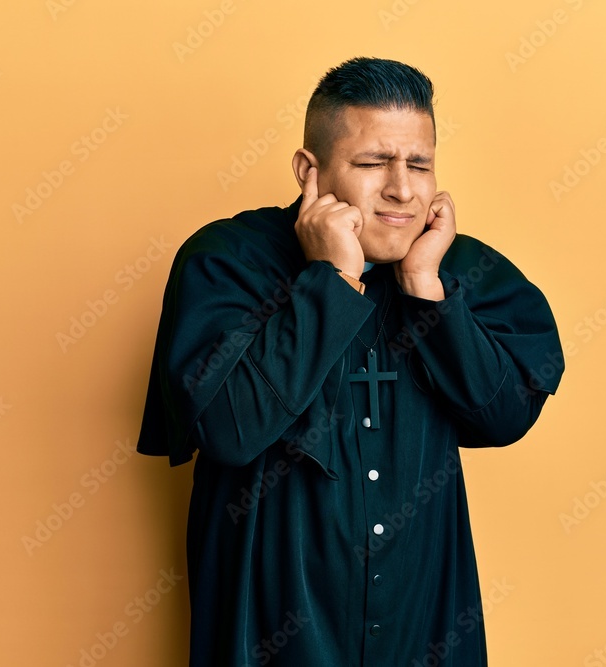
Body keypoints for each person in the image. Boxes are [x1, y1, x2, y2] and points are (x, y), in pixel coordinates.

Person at [136, 56, 564, 666]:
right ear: (309, 171)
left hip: (425, 628)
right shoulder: (225, 261)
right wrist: (332, 280)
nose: (403, 189)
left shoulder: (457, 269)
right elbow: (229, 430)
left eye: (419, 164)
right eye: (372, 164)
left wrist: (426, 290)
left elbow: (503, 418)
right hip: (270, 636)